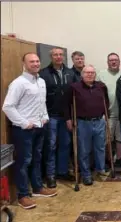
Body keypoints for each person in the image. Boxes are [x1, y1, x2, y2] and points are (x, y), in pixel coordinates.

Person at [2, 52, 57, 209]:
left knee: (36, 159)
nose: (35, 64)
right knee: (24, 162)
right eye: (31, 61)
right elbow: (7, 107)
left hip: (40, 127)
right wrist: (24, 123)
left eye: (37, 61)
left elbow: (42, 103)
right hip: (24, 130)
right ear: (24, 64)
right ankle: (23, 195)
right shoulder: (18, 83)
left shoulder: (41, 81)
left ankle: (38, 188)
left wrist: (45, 117)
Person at [64, 65, 110, 186]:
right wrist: (68, 119)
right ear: (82, 74)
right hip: (83, 122)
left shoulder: (101, 86)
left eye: (92, 73)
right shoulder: (74, 88)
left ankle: (101, 170)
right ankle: (86, 174)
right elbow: (66, 104)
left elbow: (106, 101)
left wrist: (107, 117)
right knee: (84, 150)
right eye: (87, 73)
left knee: (100, 147)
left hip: (99, 121)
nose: (90, 75)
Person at [39, 47, 77, 188]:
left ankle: (62, 171)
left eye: (61, 54)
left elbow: (74, 95)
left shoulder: (70, 73)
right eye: (55, 55)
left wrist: (71, 116)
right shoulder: (44, 73)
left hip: (66, 116)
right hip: (51, 116)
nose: (58, 57)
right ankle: (50, 175)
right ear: (51, 57)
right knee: (51, 145)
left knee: (66, 144)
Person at [97, 53, 121, 165]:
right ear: (107, 62)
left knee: (120, 138)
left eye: (116, 60)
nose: (113, 62)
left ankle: (119, 159)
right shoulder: (101, 75)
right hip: (108, 113)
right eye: (111, 60)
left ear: (119, 62)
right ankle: (109, 161)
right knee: (108, 139)